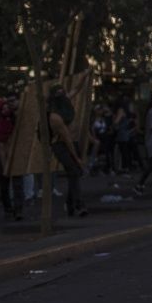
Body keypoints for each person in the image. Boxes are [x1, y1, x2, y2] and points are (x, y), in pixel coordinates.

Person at [46, 87, 88, 218]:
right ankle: (79, 204)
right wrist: (77, 158)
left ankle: (71, 203)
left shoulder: (66, 102)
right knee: (74, 171)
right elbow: (66, 138)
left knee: (74, 174)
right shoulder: (55, 117)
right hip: (60, 145)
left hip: (72, 142)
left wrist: (86, 75)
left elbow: (75, 90)